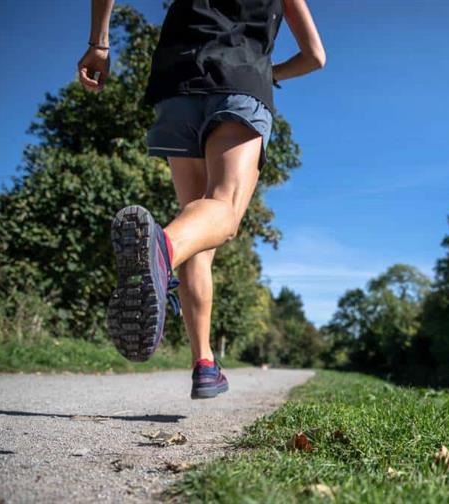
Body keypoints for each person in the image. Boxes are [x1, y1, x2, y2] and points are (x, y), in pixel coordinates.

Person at [77, 0, 325, 399]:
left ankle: (204, 362)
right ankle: (160, 252)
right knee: (222, 211)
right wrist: (268, 73)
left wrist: (100, 45)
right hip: (241, 83)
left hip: (177, 84)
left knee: (197, 228)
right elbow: (315, 56)